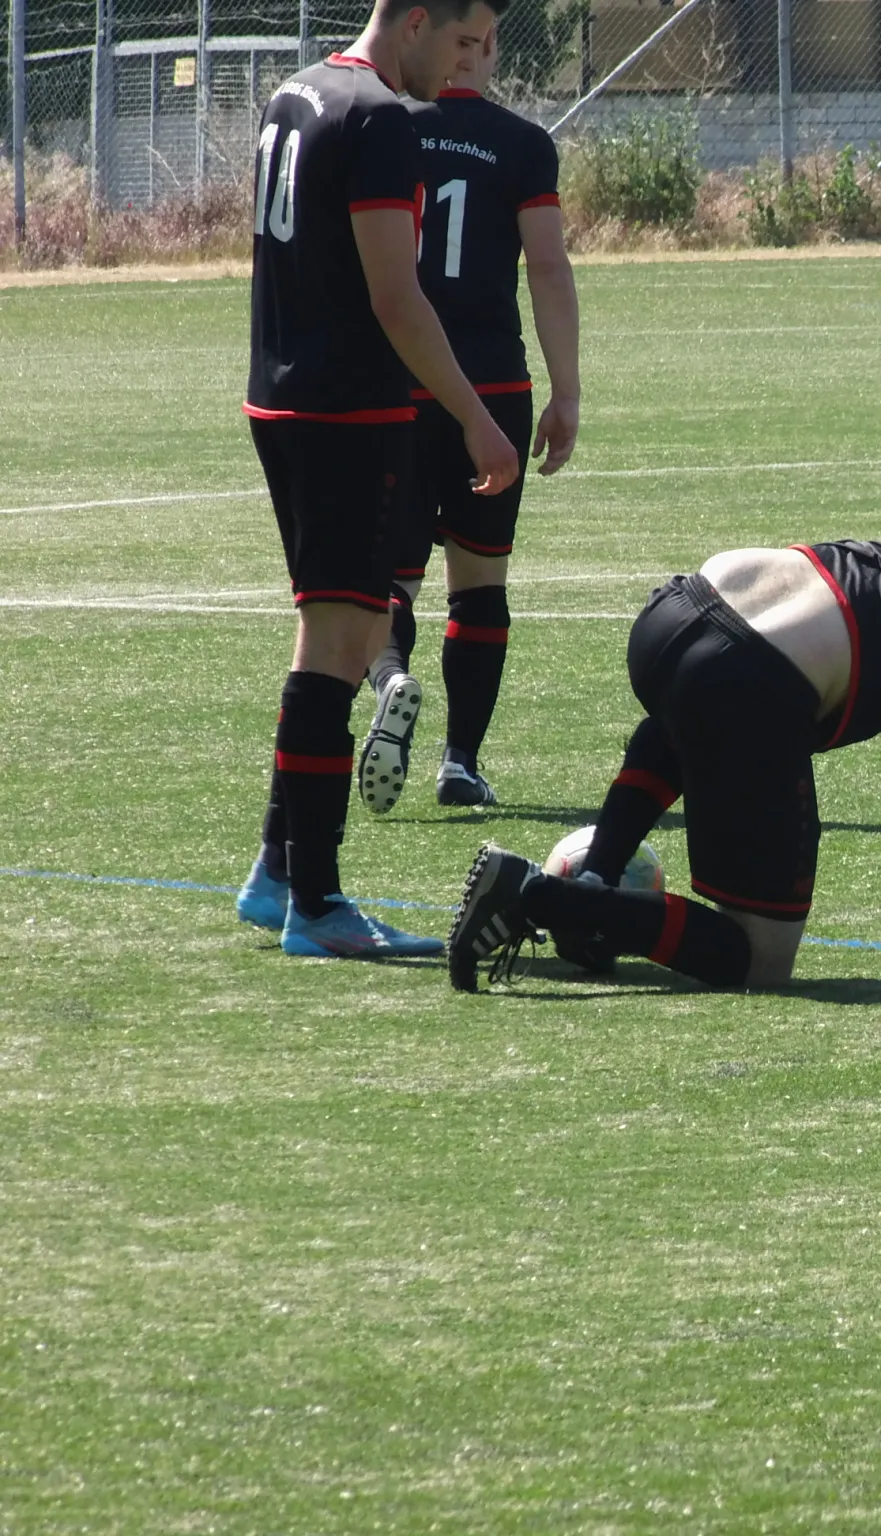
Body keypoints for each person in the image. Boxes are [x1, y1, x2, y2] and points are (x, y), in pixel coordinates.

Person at [447, 540, 881, 992]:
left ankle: (595, 879)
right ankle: (539, 895)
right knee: (760, 959)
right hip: (746, 674)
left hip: (673, 614)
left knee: (690, 719)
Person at [233, 0, 519, 958]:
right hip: (345, 413)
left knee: (340, 634)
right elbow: (398, 298)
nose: (465, 63)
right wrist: (476, 419)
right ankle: (316, 904)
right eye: (461, 41)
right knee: (341, 644)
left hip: (282, 397)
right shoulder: (382, 118)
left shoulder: (297, 91)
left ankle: (277, 873)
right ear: (415, 21)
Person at [359, 20, 581, 814]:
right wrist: (566, 391)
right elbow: (547, 265)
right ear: (486, 48)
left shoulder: (384, 126)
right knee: (480, 580)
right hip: (493, 391)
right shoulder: (523, 144)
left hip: (399, 385)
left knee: (389, 576)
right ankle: (460, 762)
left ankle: (392, 679)